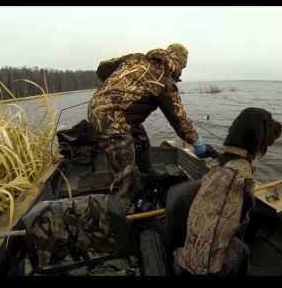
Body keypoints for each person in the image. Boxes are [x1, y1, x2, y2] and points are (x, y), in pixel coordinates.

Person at [87, 44, 212, 209]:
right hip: (111, 119)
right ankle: (122, 209)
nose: (181, 71)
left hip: (98, 106)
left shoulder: (136, 58)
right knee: (124, 175)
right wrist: (197, 142)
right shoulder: (164, 80)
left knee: (141, 139)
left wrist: (115, 86)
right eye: (182, 67)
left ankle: (147, 172)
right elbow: (179, 120)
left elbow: (103, 67)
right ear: (180, 64)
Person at [173, 107, 282, 275]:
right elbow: (241, 219)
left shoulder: (218, 166)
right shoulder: (242, 178)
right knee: (243, 251)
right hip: (205, 270)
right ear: (258, 135)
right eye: (270, 122)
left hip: (185, 258)